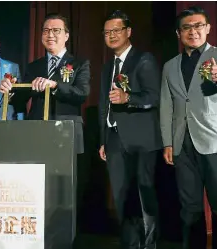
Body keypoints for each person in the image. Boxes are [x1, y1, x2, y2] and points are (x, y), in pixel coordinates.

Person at [0, 13, 90, 234]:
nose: (51, 35)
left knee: (65, 190)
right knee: (38, 188)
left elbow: (81, 93)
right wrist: (9, 92)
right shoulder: (34, 66)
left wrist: (55, 85)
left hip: (66, 134)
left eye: (56, 30)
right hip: (37, 134)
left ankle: (65, 237)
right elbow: (22, 99)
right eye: (46, 31)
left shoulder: (79, 64)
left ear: (66, 35)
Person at [98, 10, 162, 249]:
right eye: (107, 32)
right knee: (121, 198)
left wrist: (128, 98)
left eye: (116, 30)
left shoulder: (143, 60)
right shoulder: (107, 67)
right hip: (114, 139)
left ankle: (149, 245)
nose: (111, 35)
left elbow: (154, 98)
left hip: (142, 140)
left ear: (128, 32)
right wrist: (104, 140)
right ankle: (130, 244)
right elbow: (104, 107)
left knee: (144, 197)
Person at [160, 6, 217, 249]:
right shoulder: (170, 66)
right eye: (187, 27)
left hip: (213, 140)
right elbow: (166, 105)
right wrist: (168, 142)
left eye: (198, 26)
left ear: (208, 29)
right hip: (182, 144)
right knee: (190, 207)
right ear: (178, 33)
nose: (193, 31)